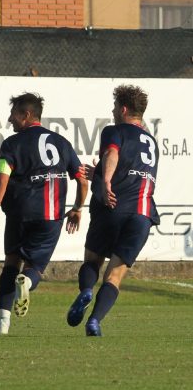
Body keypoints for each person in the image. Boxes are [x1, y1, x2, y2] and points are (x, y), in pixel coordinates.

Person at [0, 92, 88, 335]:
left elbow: (2, 179)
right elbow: (82, 180)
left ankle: (3, 322)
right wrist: (77, 208)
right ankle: (28, 282)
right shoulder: (62, 143)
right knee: (34, 267)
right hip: (50, 216)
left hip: (19, 213)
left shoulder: (11, 144)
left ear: (27, 115)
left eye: (14, 114)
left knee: (11, 263)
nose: (10, 119)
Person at [66, 85, 159, 336]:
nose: (113, 110)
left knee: (93, 261)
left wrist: (104, 180)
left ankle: (86, 291)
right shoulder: (151, 142)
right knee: (115, 275)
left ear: (124, 109)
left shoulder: (114, 131)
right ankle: (94, 321)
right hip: (142, 215)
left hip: (113, 205)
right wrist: (101, 174)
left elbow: (112, 154)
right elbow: (133, 173)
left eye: (115, 106)